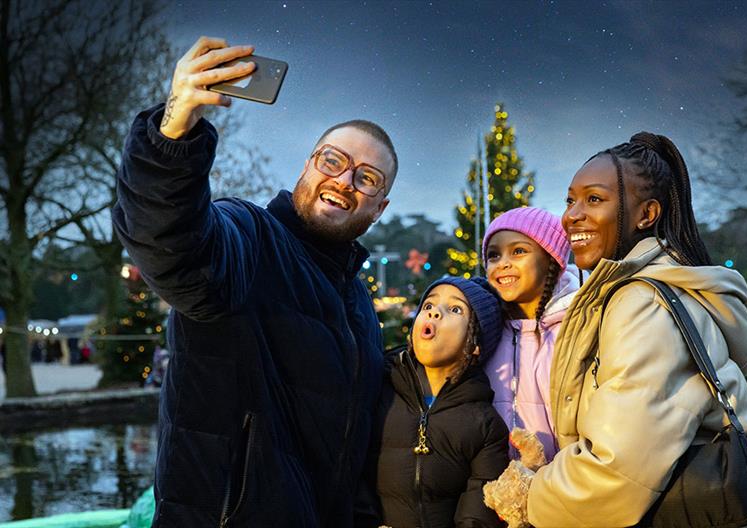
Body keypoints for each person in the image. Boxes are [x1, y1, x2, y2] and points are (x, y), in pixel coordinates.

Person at [113, 36, 397, 526]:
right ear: (308, 164)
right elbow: (174, 247)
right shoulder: (248, 235)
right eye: (332, 160)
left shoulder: (358, 302)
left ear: (380, 207)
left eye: (368, 178)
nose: (344, 181)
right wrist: (173, 135)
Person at [485, 132, 747, 527]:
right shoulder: (658, 289)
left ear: (646, 215)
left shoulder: (643, 304)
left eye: (594, 199)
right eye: (570, 200)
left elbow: (617, 471)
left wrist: (529, 497)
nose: (572, 215)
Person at [370, 277, 509, 528]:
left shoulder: (485, 425)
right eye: (428, 306)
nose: (434, 312)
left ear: (475, 343)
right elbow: (353, 475)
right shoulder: (379, 390)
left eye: (455, 309)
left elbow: (477, 515)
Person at [481, 207, 578, 462]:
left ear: (552, 259)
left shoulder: (577, 328)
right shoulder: (485, 331)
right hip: (496, 489)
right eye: (493, 255)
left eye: (519, 251)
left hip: (563, 486)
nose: (502, 263)